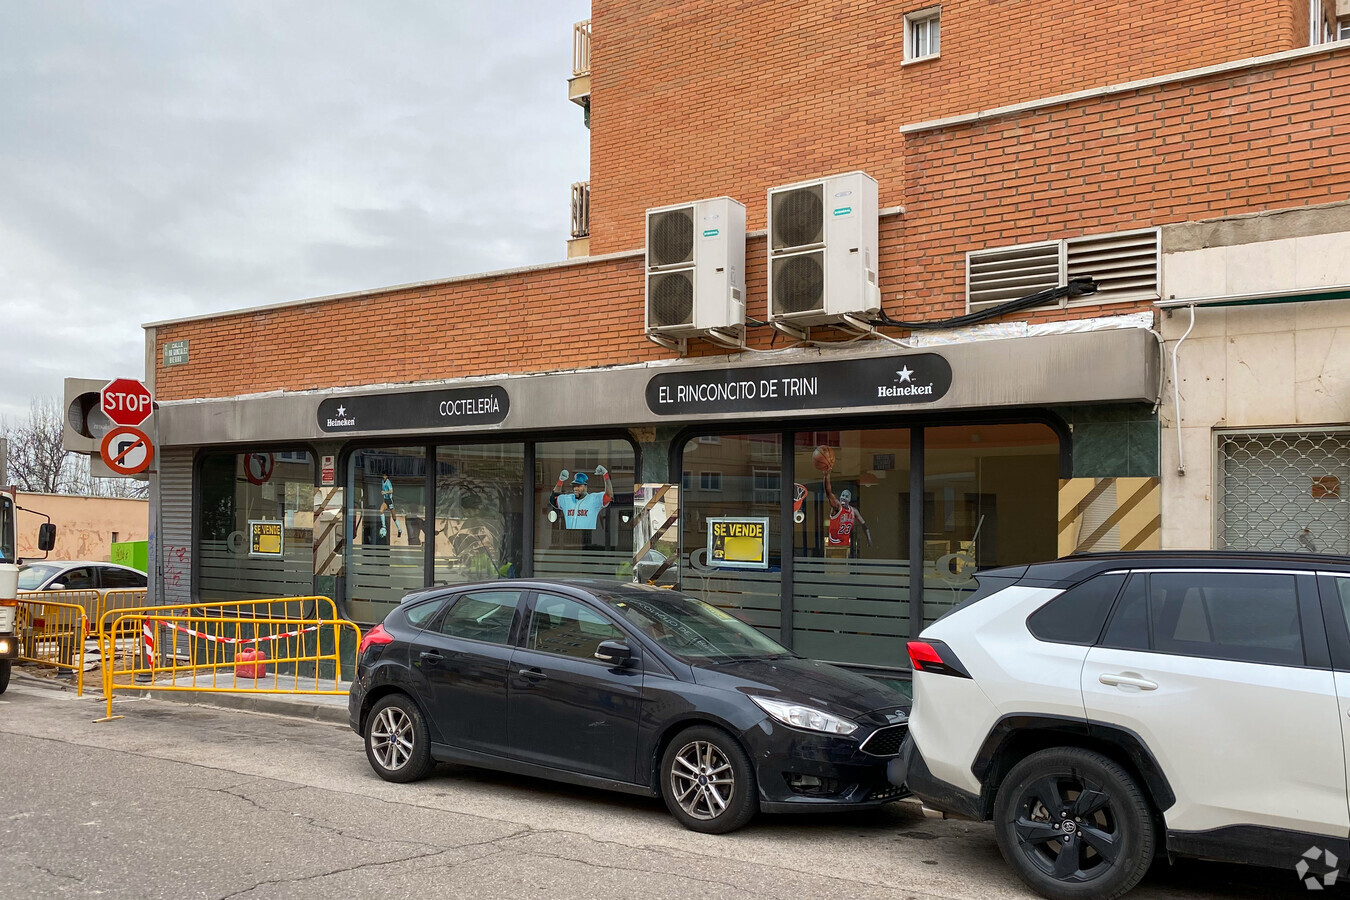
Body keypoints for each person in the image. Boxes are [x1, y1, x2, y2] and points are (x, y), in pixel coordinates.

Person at [824, 469, 871, 558]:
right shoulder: (837, 507)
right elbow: (828, 493)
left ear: (849, 499)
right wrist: (827, 476)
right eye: (842, 495)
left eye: (846, 496)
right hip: (833, 546)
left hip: (845, 547)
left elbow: (864, 525)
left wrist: (868, 538)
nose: (843, 498)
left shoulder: (854, 511)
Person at [551, 466, 613, 530]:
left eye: (579, 486)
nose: (575, 488)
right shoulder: (567, 499)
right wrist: (560, 481)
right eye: (574, 486)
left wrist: (605, 474)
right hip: (570, 536)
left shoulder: (594, 499)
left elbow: (609, 496)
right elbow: (553, 499)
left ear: (586, 487)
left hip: (587, 537)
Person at [379, 475, 402, 539]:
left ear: (386, 476)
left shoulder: (388, 482)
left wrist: (385, 492)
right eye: (383, 475)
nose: (383, 476)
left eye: (384, 475)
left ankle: (399, 529)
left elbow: (391, 491)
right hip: (385, 500)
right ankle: (384, 526)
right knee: (381, 511)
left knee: (394, 517)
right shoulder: (382, 481)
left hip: (390, 501)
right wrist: (382, 492)